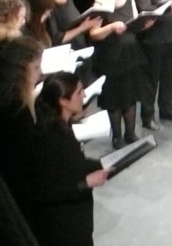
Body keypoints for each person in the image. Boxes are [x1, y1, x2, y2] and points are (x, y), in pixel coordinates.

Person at [31, 71, 112, 246]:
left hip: (77, 219)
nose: (84, 95)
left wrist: (104, 163)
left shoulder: (63, 127)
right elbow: (43, 190)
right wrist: (86, 183)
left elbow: (72, 164)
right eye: (79, 92)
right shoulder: (48, 138)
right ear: (63, 101)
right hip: (63, 226)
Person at [88, 0, 149, 149]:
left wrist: (144, 23)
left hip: (131, 56)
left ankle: (130, 133)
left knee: (130, 96)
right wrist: (111, 27)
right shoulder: (99, 3)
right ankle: (117, 136)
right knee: (114, 99)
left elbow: (135, 23)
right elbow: (94, 33)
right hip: (111, 58)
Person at [0, 36, 45, 227]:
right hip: (21, 190)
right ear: (20, 69)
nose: (41, 72)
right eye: (36, 67)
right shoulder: (16, 108)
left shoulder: (9, 98)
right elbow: (26, 153)